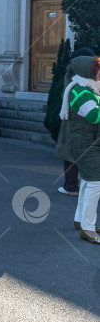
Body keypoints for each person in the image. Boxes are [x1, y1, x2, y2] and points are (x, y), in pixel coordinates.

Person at [61, 55, 100, 244]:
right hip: (85, 145)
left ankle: (80, 220)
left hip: (87, 143)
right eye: (98, 70)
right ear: (89, 72)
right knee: (95, 183)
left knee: (87, 181)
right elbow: (93, 116)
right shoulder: (81, 92)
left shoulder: (87, 89)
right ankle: (88, 229)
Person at [57, 47, 96, 196]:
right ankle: (72, 186)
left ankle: (71, 186)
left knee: (72, 155)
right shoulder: (84, 77)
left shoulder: (71, 75)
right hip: (83, 121)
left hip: (75, 122)